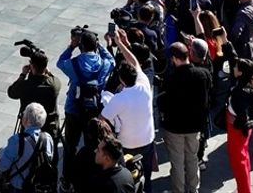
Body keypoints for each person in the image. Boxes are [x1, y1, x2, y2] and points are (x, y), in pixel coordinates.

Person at [101, 29, 155, 193]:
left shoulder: (119, 99)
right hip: (147, 140)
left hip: (128, 144)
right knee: (146, 176)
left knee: (130, 177)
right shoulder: (144, 84)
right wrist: (120, 43)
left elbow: (101, 119)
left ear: (121, 79)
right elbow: (135, 63)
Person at [56, 28, 114, 167]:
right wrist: (100, 45)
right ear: (95, 46)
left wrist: (71, 46)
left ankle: (67, 177)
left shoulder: (74, 63)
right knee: (93, 146)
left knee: (70, 146)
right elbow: (111, 60)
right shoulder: (103, 64)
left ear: (81, 46)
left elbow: (60, 62)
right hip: (94, 111)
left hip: (74, 109)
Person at [159, 42, 211, 193]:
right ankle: (193, 189)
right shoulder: (203, 74)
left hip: (175, 127)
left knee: (177, 163)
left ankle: (179, 190)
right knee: (192, 159)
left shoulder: (172, 78)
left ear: (175, 58)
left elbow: (165, 102)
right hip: (195, 127)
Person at [0, 103, 54, 193]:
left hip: (18, 186)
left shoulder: (17, 140)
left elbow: (3, 166)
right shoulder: (47, 138)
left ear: (26, 120)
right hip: (38, 186)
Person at [225, 58, 253, 193]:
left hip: (238, 129)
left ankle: (244, 190)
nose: (233, 68)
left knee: (238, 161)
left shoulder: (239, 92)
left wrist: (232, 119)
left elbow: (240, 115)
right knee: (244, 156)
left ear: (241, 73)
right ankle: (244, 187)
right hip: (247, 128)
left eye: (236, 67)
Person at [5, 50, 60, 133]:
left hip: (28, 130)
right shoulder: (54, 84)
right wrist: (48, 72)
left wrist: (23, 75)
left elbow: (11, 92)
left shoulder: (25, 86)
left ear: (32, 66)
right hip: (50, 129)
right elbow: (53, 78)